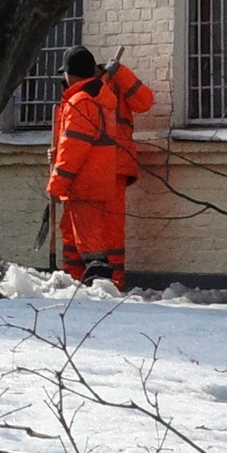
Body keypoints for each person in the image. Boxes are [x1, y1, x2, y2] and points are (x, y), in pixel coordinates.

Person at [45, 46, 153, 288]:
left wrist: (120, 74)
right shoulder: (79, 95)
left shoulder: (106, 86)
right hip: (85, 170)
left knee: (109, 231)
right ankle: (75, 282)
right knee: (74, 230)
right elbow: (72, 139)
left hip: (112, 167)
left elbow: (145, 101)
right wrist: (58, 156)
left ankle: (111, 285)